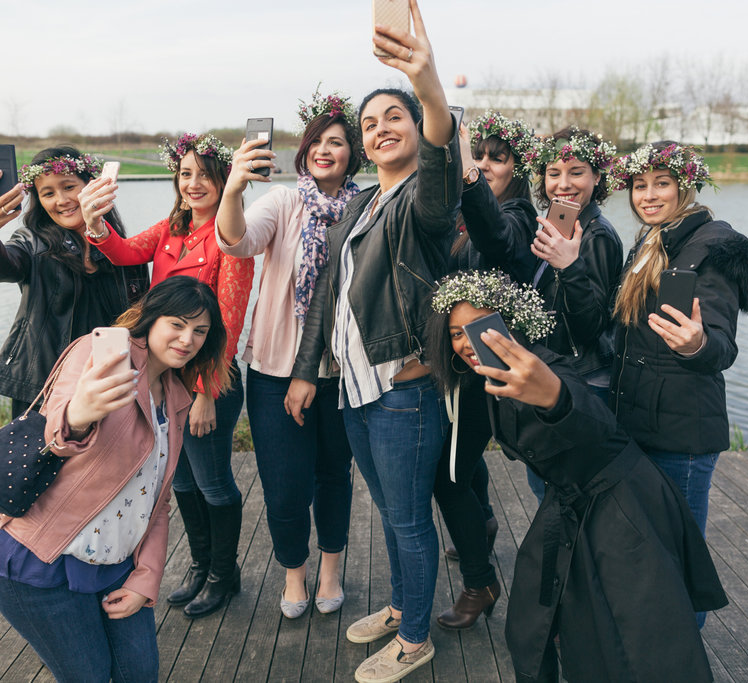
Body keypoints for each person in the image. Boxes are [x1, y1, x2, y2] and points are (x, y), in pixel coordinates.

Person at [425, 269, 729, 682]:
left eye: (479, 327)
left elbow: (586, 412)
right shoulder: (487, 379)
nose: (467, 342)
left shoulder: (543, 367)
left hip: (623, 506)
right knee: (530, 626)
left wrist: (555, 398)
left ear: (507, 321)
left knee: (645, 645)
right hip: (570, 502)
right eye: (456, 333)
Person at [284, 1, 461, 679]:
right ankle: (402, 605)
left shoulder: (422, 199)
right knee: (389, 514)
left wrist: (427, 84)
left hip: (402, 390)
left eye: (395, 117)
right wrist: (307, 370)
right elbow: (326, 300)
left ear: (417, 127)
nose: (381, 129)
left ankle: (415, 638)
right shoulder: (360, 205)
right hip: (355, 391)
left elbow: (441, 161)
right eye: (369, 123)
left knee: (409, 520)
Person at [0, 275, 226, 682]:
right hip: (39, 555)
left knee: (139, 673)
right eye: (177, 324)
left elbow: (157, 503)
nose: (187, 339)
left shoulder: (176, 399)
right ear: (150, 318)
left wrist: (147, 579)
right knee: (88, 675)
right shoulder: (96, 353)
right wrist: (78, 415)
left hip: (114, 561)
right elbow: (55, 435)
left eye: (200, 331)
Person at [77, 133, 254, 618]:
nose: (193, 184)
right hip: (168, 375)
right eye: (185, 173)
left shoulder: (231, 235)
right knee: (179, 481)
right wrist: (95, 225)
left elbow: (230, 321)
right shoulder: (172, 228)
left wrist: (206, 392)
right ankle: (200, 566)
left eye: (205, 175)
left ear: (225, 180)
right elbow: (124, 252)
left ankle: (223, 575)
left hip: (209, 376)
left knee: (213, 483)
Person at [609, 141, 748, 625]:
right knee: (648, 549)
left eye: (661, 184)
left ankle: (686, 652)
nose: (649, 195)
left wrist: (696, 344)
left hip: (682, 435)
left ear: (686, 186)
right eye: (640, 185)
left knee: (680, 553)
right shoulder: (652, 241)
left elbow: (722, 346)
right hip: (640, 422)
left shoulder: (712, 247)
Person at [215, 89, 361, 618]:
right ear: (303, 150)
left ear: (353, 153)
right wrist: (233, 187)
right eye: (317, 141)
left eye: (337, 142)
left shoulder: (366, 208)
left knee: (333, 477)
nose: (325, 150)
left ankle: (331, 571)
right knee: (283, 486)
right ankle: (294, 574)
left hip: (341, 372)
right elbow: (237, 241)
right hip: (276, 370)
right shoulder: (282, 201)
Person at [432, 110, 539, 629]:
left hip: (489, 366)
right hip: (464, 361)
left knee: (447, 476)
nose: (487, 164)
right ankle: (487, 522)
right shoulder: (462, 214)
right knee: (463, 455)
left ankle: (481, 583)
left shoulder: (519, 215)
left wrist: (468, 175)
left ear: (517, 167)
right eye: (479, 156)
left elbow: (497, 240)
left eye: (498, 158)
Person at [0, 146, 149, 418]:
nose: (61, 200)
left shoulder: (125, 249)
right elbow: (1, 268)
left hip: (111, 382)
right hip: (45, 387)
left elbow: (142, 316)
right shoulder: (31, 242)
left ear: (92, 186)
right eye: (48, 193)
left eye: (69, 187)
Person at [523, 126, 624, 504]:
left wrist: (568, 266)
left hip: (582, 380)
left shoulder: (597, 235)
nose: (563, 184)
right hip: (555, 372)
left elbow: (589, 326)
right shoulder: (560, 225)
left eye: (576, 172)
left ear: (597, 177)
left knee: (567, 494)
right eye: (553, 173)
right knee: (547, 488)